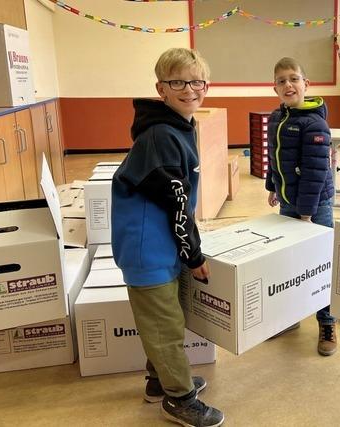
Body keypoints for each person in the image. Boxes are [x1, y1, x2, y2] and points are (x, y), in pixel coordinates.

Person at [111, 47, 224, 427]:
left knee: (163, 320)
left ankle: (160, 381)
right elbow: (176, 203)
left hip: (161, 242)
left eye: (197, 81)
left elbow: (180, 200)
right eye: (178, 82)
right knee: (165, 326)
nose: (190, 89)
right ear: (161, 88)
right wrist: (194, 256)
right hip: (148, 248)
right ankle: (178, 398)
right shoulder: (161, 135)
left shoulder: (179, 125)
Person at [265, 57, 337, 356]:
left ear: (307, 84)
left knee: (320, 263)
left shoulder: (314, 123)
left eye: (294, 78)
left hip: (315, 205)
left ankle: (327, 322)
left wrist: (306, 213)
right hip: (288, 201)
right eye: (281, 81)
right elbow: (276, 157)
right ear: (275, 88)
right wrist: (272, 187)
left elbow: (316, 173)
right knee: (292, 262)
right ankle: (292, 316)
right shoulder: (276, 118)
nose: (288, 85)